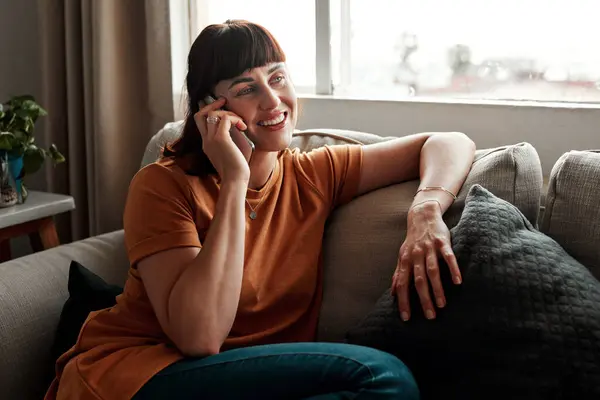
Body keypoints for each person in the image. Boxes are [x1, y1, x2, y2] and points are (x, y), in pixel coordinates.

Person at [45, 20, 475, 400]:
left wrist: (425, 211)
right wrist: (233, 180)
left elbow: (449, 142)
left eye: (277, 77)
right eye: (246, 88)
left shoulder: (316, 173)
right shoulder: (162, 186)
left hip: (252, 379)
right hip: (140, 374)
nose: (273, 101)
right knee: (381, 377)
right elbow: (199, 337)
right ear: (209, 110)